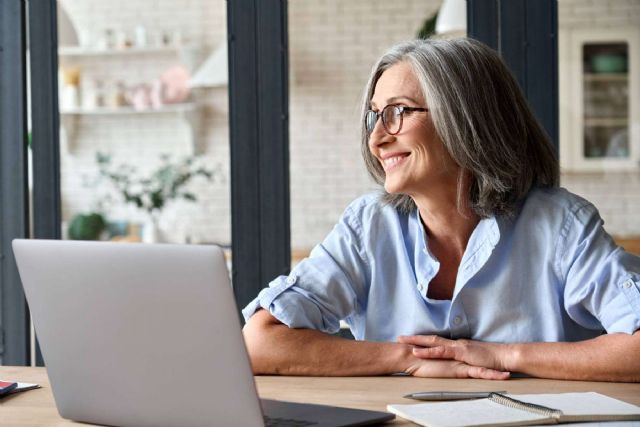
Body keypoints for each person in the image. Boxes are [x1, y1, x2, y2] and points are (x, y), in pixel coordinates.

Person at [242, 38, 640, 382]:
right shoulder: (369, 225)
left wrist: (502, 355)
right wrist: (408, 360)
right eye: (374, 116)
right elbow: (261, 341)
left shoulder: (561, 225)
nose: (377, 138)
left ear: (466, 118)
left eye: (398, 112)